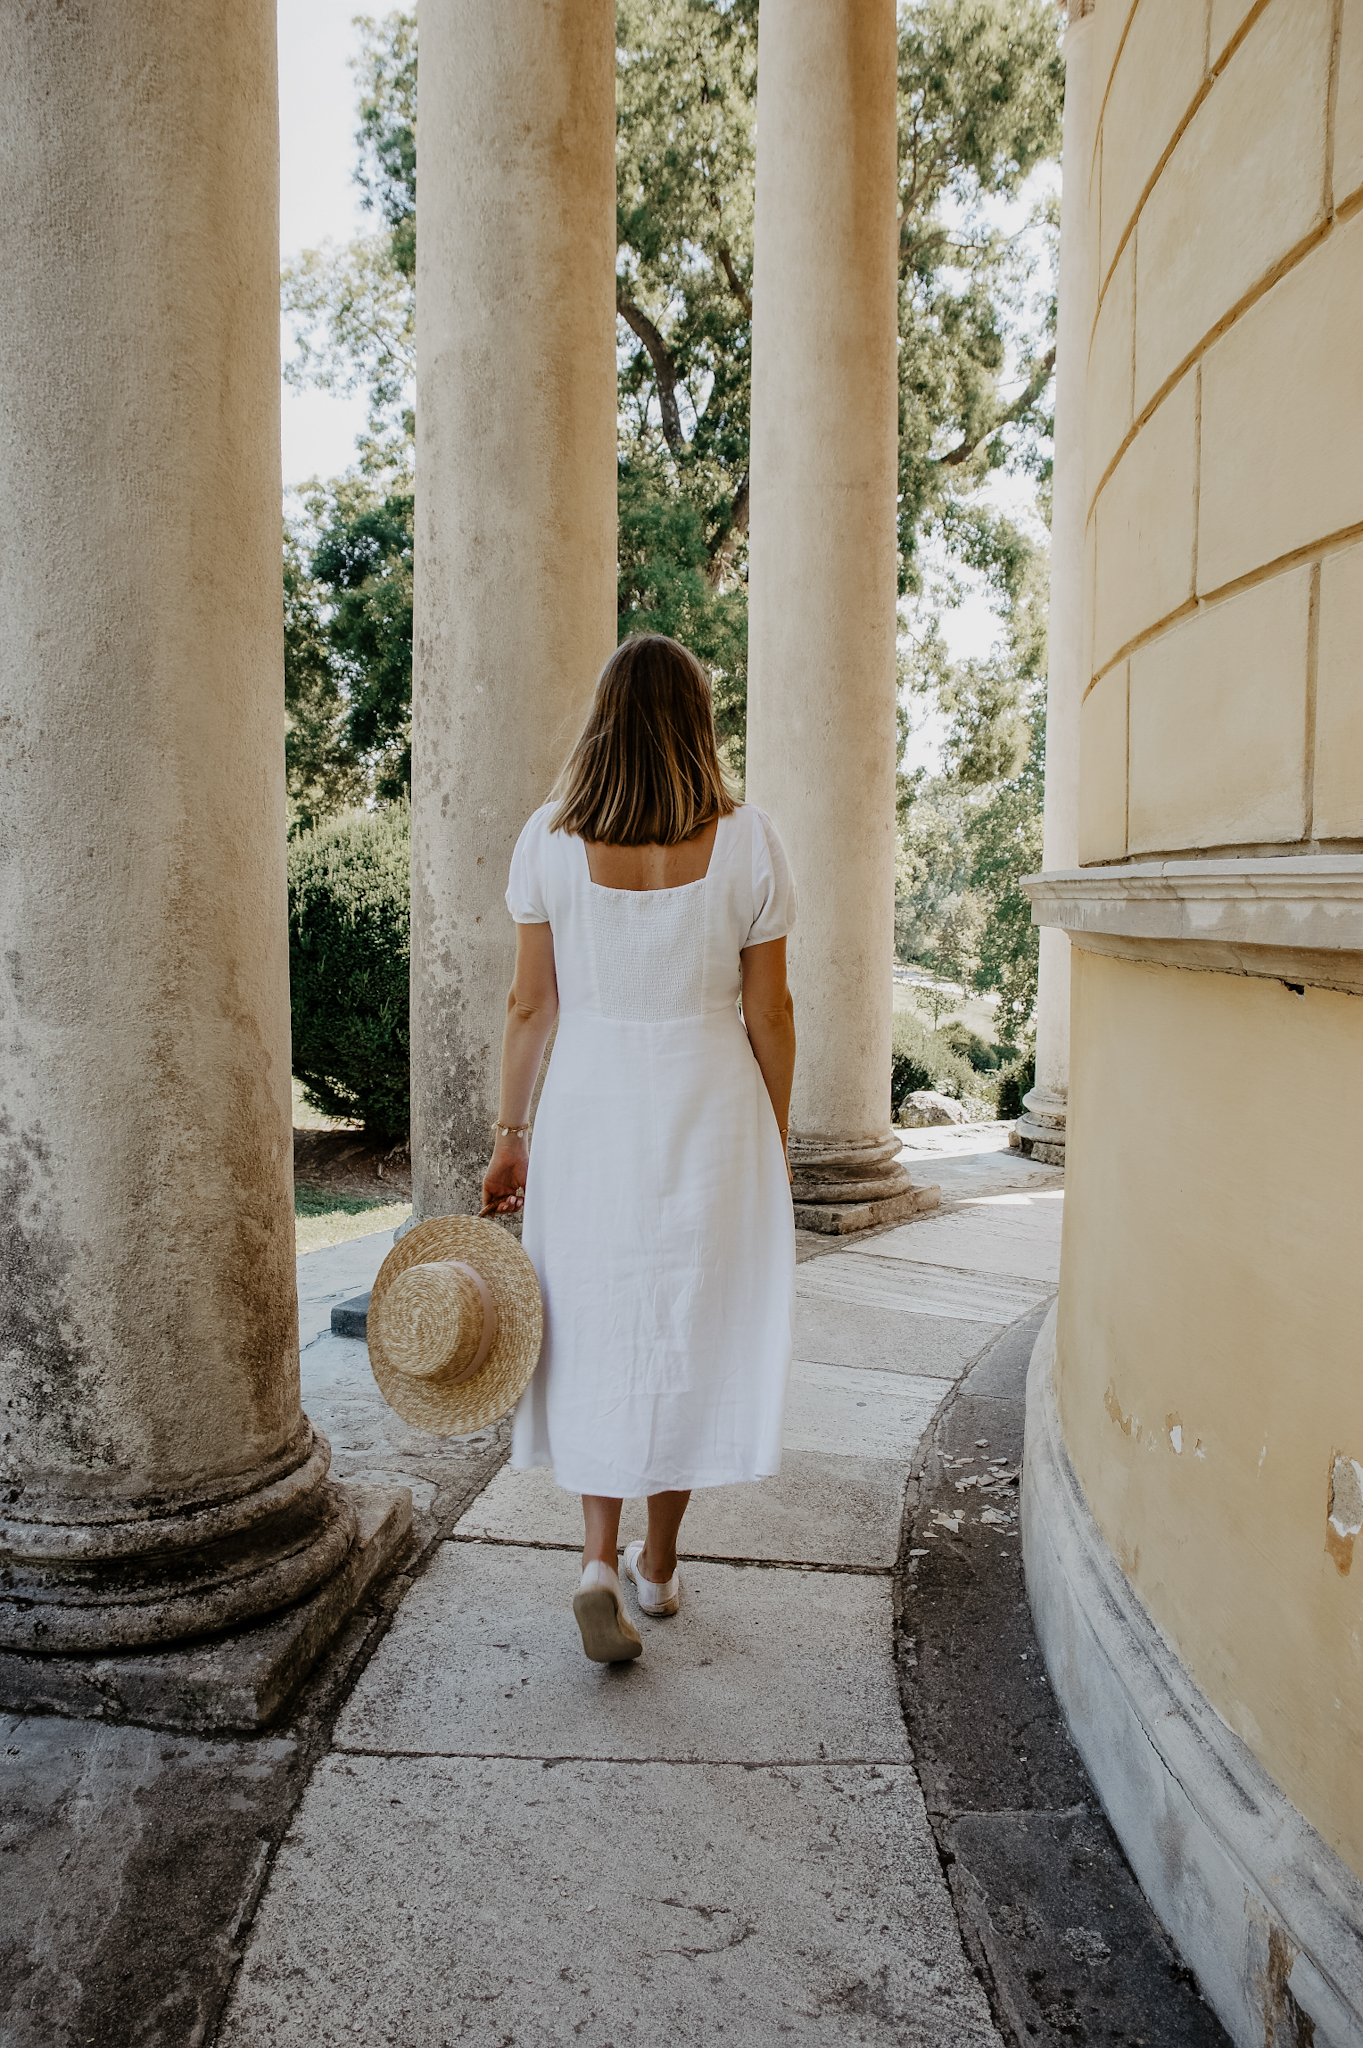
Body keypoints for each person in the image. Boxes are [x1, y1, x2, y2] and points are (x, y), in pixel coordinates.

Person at [481, 634, 797, 1664]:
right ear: (697, 722)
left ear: (602, 718)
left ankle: (596, 1557)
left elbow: (530, 1003)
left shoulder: (548, 838)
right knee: (686, 1326)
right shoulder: (748, 842)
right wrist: (774, 1141)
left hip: (588, 1109)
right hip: (710, 1107)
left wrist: (509, 1135)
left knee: (596, 1319)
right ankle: (660, 1571)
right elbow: (771, 1012)